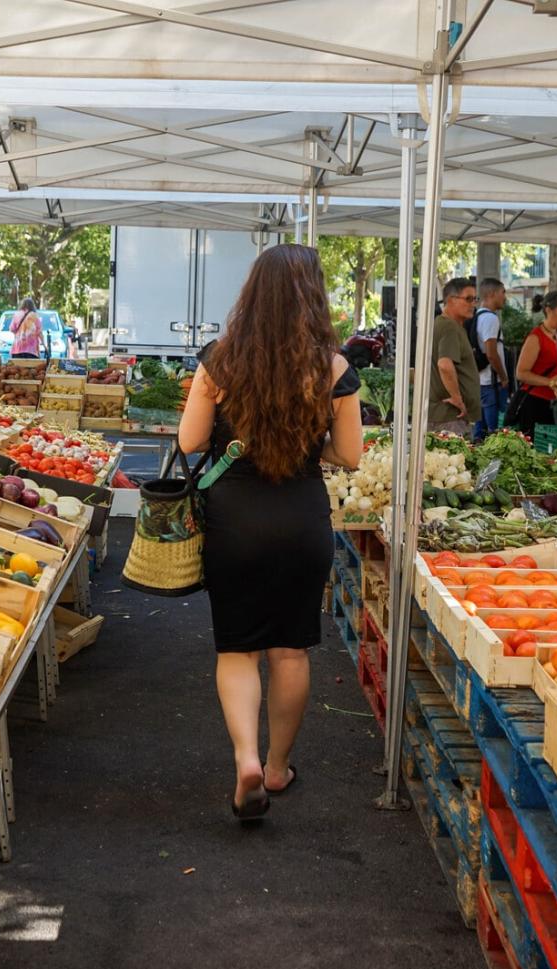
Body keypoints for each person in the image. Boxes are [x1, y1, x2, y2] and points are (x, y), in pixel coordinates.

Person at [178, 244, 363, 821]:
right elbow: (352, 456)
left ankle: (246, 759)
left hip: (235, 520)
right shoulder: (334, 368)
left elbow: (188, 443)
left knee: (238, 648)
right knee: (291, 650)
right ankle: (278, 767)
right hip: (303, 518)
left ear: (252, 292)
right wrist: (311, 446)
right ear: (314, 294)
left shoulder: (219, 360)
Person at [513, 290, 557, 439]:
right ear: (548, 310)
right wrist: (550, 382)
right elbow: (521, 373)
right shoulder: (535, 338)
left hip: (556, 405)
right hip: (535, 403)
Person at [427, 277, 481, 436]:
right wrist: (457, 399)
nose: (473, 304)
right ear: (451, 300)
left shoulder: (445, 324)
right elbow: (444, 364)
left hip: (445, 416)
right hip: (450, 418)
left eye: (475, 299)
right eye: (468, 299)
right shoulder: (449, 326)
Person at [472, 277, 509, 441]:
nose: (505, 297)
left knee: (480, 430)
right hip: (490, 381)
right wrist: (503, 377)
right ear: (492, 294)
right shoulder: (490, 319)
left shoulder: (478, 316)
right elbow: (492, 353)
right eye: (503, 292)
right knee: (493, 433)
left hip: (481, 379)